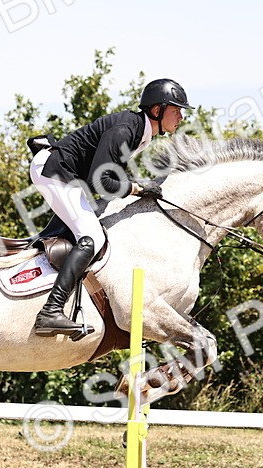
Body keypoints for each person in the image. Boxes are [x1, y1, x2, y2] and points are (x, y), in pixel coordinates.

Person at [29, 78, 192, 338]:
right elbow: (101, 181)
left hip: (68, 175)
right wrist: (136, 188)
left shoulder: (140, 132)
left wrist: (134, 187)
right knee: (91, 236)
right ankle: (51, 311)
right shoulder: (125, 129)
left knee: (88, 224)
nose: (182, 116)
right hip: (55, 171)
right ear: (157, 110)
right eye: (176, 109)